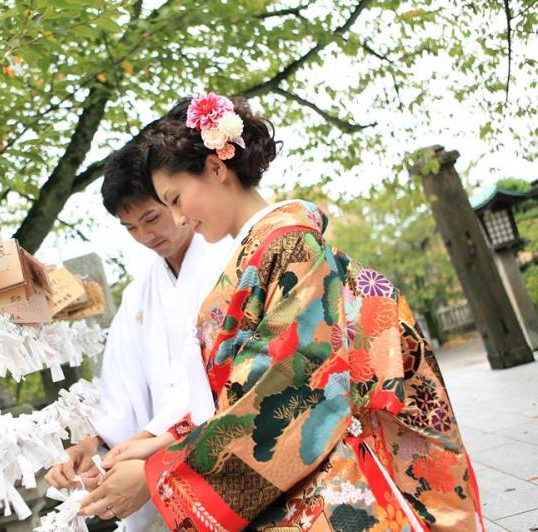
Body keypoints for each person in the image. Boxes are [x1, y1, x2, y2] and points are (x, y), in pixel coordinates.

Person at [80, 93, 484, 531]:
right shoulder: (259, 251)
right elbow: (238, 390)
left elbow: (292, 389)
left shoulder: (287, 244)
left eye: (176, 199)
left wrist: (159, 472)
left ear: (216, 168)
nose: (178, 219)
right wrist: (161, 442)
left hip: (326, 483)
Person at [44, 141, 231, 530]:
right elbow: (122, 384)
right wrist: (92, 446)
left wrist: (144, 452)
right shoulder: (138, 293)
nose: (145, 235)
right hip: (157, 457)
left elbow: (211, 379)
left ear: (174, 200)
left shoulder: (226, 262)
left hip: (218, 453)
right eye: (130, 227)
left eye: (151, 218)